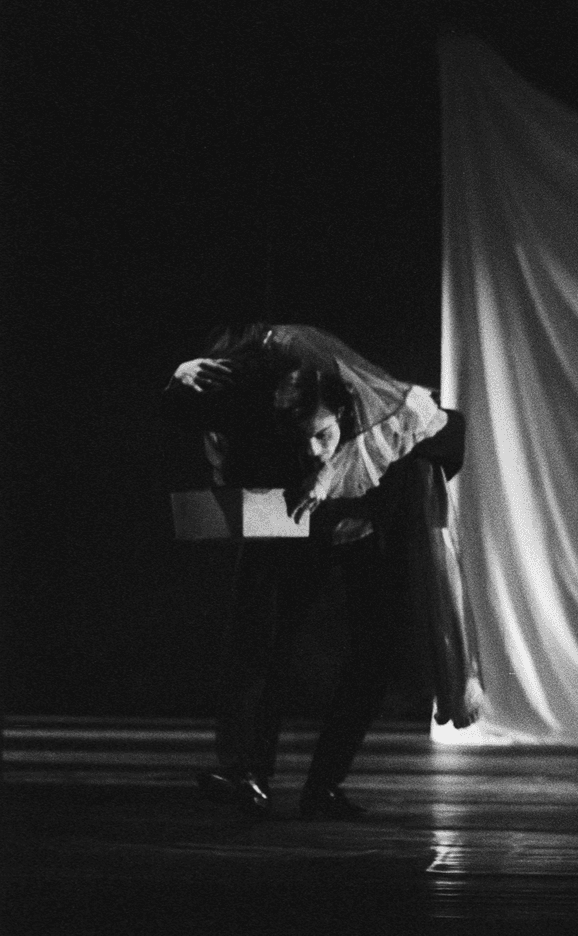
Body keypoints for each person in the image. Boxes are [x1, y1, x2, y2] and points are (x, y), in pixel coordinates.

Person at [164, 324, 481, 820]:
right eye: (303, 439)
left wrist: (337, 471)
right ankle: (248, 772)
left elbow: (447, 435)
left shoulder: (389, 412)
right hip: (301, 525)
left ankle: (325, 784)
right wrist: (180, 376)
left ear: (344, 413)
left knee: (375, 651)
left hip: (365, 526)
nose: (314, 449)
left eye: (323, 435)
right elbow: (188, 412)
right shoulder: (266, 403)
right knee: (267, 637)